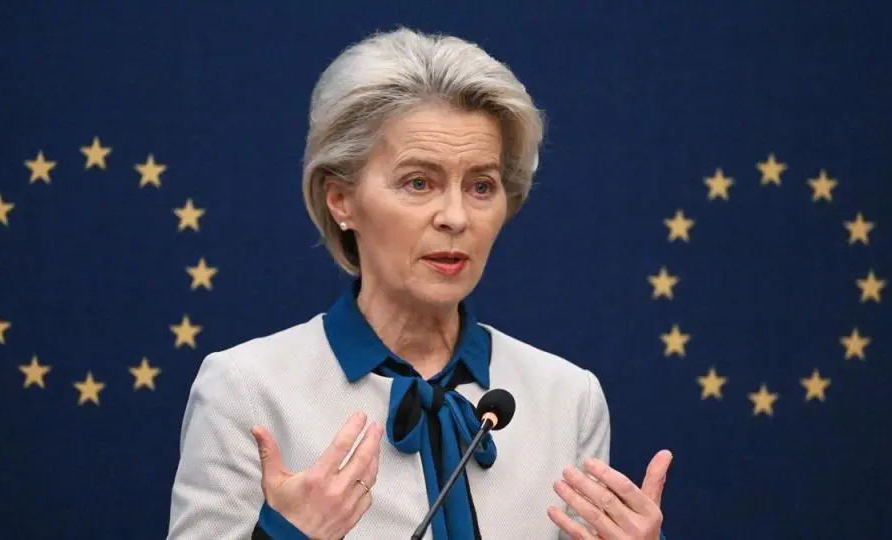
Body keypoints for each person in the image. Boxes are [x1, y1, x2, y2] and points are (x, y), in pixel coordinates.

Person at [167, 27, 672, 540]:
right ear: (341, 200)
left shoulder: (567, 397)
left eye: (481, 186)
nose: (455, 216)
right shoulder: (248, 389)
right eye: (418, 182)